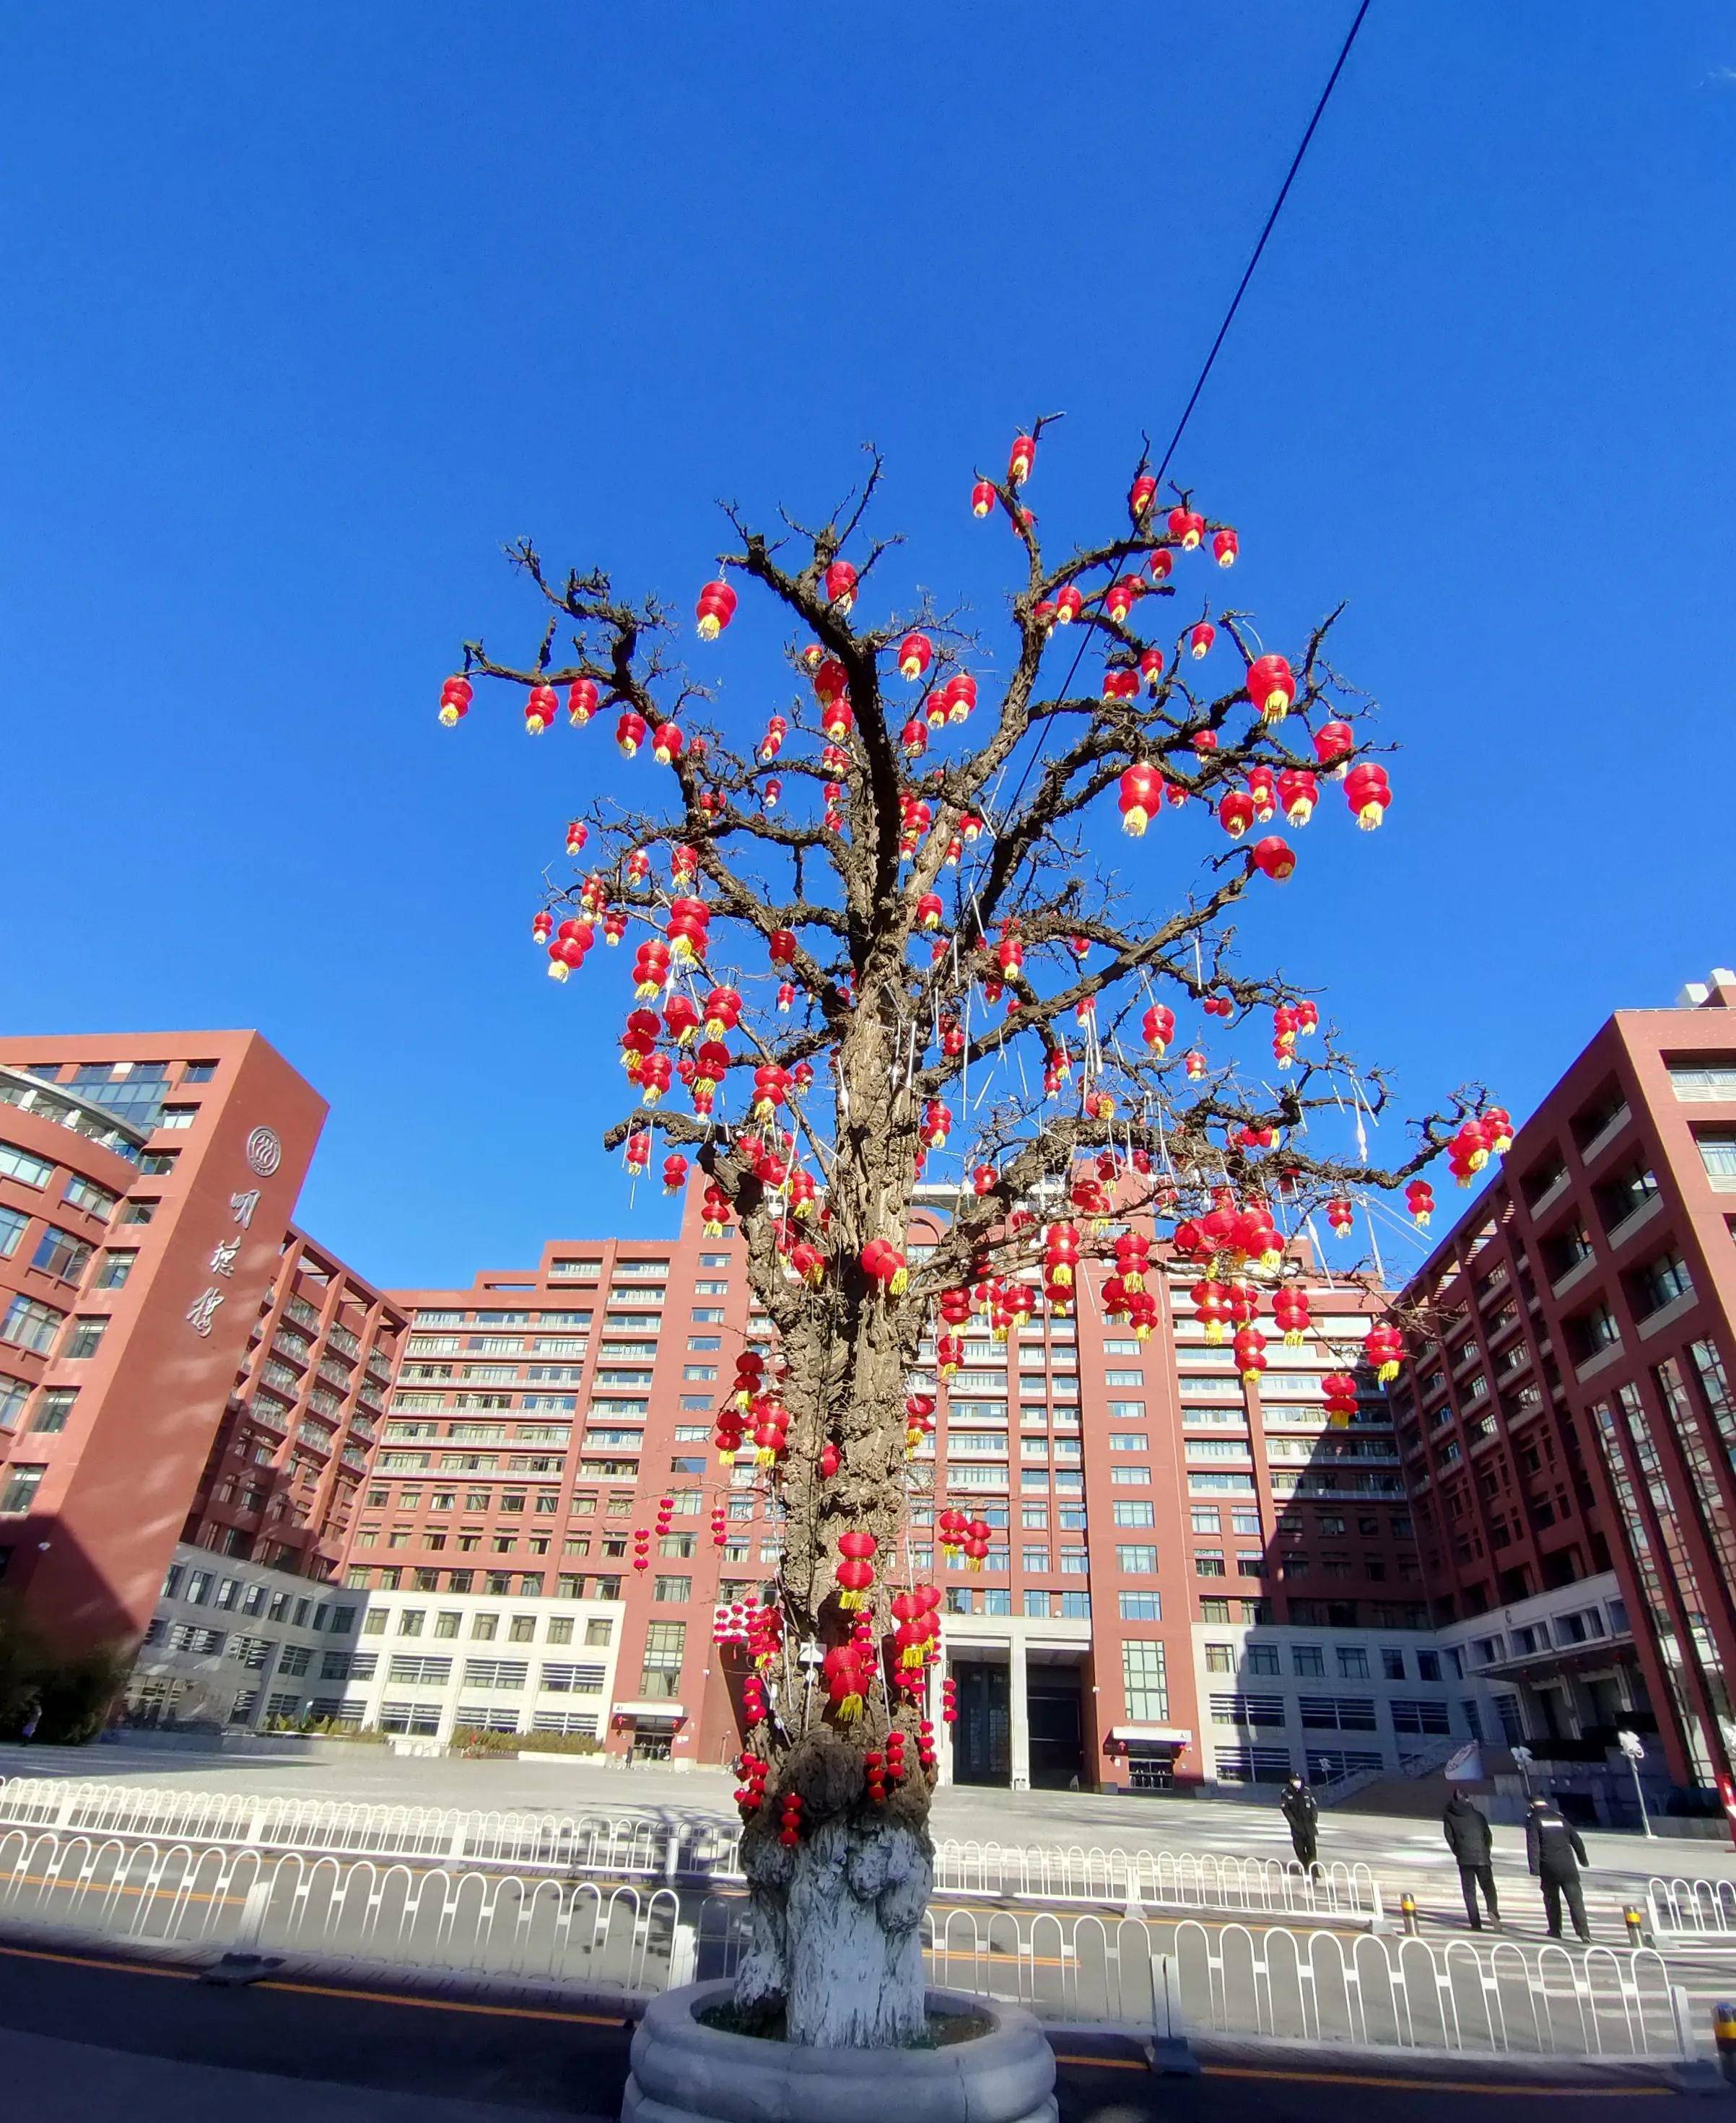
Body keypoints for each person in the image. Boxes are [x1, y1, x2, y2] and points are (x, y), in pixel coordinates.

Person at [1525, 1793, 1591, 1942]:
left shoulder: (1534, 1820)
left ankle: (1555, 1930)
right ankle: (1584, 1932)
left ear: (1531, 1806)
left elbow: (1533, 1845)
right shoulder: (1561, 1819)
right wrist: (1583, 1860)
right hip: (1569, 1867)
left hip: (1549, 1867)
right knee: (1576, 1901)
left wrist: (1534, 1868)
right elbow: (1576, 1840)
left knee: (1551, 1900)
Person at [1442, 1788, 1499, 1930]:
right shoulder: (1478, 1815)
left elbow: (1450, 1837)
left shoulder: (1450, 1816)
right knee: (1488, 1888)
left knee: (1469, 1891)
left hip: (1464, 1858)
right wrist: (1486, 1851)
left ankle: (1475, 1923)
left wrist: (1458, 1851)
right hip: (1482, 1857)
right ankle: (1493, 1914)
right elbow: (1488, 1836)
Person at [1280, 1773, 1320, 1872]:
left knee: (1312, 1851)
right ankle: (1306, 1866)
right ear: (1291, 1781)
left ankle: (1314, 1871)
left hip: (1309, 1827)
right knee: (1299, 1850)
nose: (1298, 1783)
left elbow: (1314, 1805)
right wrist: (1293, 1823)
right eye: (1295, 1780)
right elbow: (1286, 1810)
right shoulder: (1286, 1793)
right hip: (1297, 1827)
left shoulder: (1307, 1791)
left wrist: (1314, 1817)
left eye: (1299, 1780)